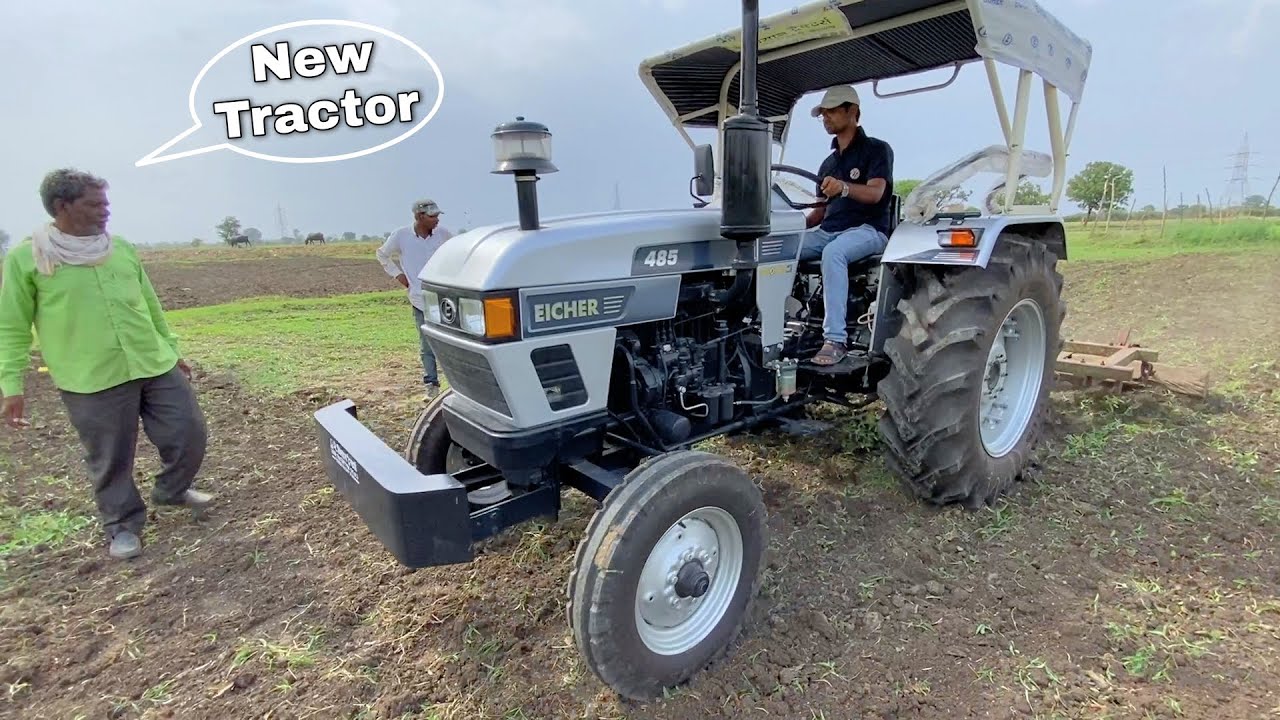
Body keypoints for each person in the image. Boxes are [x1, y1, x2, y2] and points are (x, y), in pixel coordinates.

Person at [0, 168, 211, 560]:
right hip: (91, 377)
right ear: (62, 206)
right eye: (95, 203)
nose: (106, 211)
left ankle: (171, 490)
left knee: (189, 430)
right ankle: (122, 526)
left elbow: (149, 303)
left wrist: (171, 347)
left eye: (106, 202)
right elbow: (11, 326)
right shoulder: (27, 259)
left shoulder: (122, 249)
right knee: (111, 456)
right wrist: (12, 385)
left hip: (152, 361)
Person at [798, 84, 895, 366]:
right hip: (829, 231)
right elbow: (818, 213)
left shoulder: (877, 150)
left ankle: (835, 340)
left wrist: (843, 188)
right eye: (823, 113)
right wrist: (789, 229)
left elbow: (876, 193)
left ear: (852, 112)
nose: (825, 117)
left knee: (834, 253)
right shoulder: (828, 163)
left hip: (868, 230)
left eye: (831, 111)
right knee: (779, 250)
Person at [376, 198, 453, 398]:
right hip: (419, 298)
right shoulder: (401, 236)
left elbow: (455, 253)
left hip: (444, 298)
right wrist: (398, 275)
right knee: (426, 344)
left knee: (450, 342)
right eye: (432, 216)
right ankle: (431, 385)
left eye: (437, 216)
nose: (436, 220)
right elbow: (382, 255)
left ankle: (456, 384)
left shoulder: (443, 234)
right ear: (419, 216)